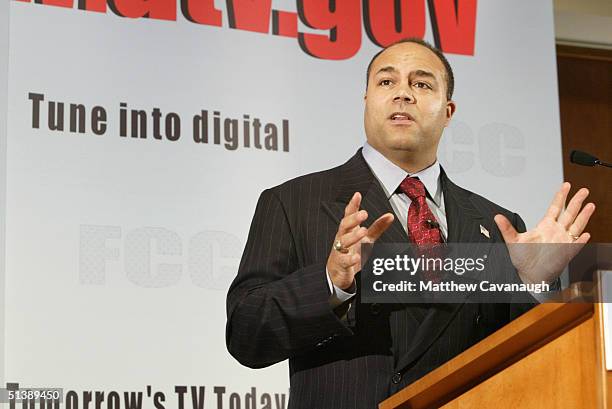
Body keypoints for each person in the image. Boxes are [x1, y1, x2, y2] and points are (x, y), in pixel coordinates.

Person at [225, 38, 595, 409]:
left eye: (422, 84)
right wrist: (330, 284)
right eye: (386, 82)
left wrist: (533, 286)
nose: (403, 94)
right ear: (366, 100)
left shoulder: (496, 224)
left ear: (448, 111)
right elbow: (246, 334)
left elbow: (524, 359)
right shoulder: (295, 202)